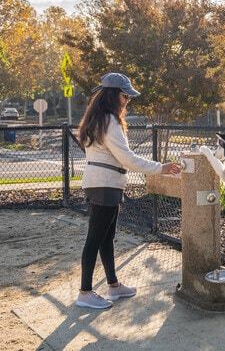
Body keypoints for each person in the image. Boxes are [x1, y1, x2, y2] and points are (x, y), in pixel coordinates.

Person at [76, 72, 181, 309]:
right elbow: (127, 158)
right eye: (126, 96)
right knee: (95, 239)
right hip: (105, 184)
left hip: (103, 183)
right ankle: (85, 292)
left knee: (106, 238)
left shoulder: (97, 118)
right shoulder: (109, 121)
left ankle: (113, 285)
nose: (128, 101)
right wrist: (160, 168)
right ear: (114, 95)